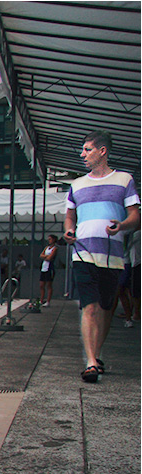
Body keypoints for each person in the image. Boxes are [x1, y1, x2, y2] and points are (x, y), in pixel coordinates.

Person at [63, 130, 140, 383]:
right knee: (90, 305)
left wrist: (123, 225)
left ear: (102, 151)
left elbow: (136, 217)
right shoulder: (76, 185)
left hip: (113, 255)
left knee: (107, 307)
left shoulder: (124, 180)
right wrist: (69, 230)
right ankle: (91, 362)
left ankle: (96, 355)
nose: (82, 154)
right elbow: (70, 216)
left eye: (87, 149)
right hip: (82, 253)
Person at [39, 234, 58, 306]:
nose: (49, 240)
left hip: (49, 268)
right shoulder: (47, 247)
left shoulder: (55, 248)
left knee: (49, 285)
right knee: (41, 285)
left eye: (50, 239)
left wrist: (46, 257)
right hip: (43, 267)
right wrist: (46, 256)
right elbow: (41, 255)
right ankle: (41, 300)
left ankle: (48, 301)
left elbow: (50, 258)